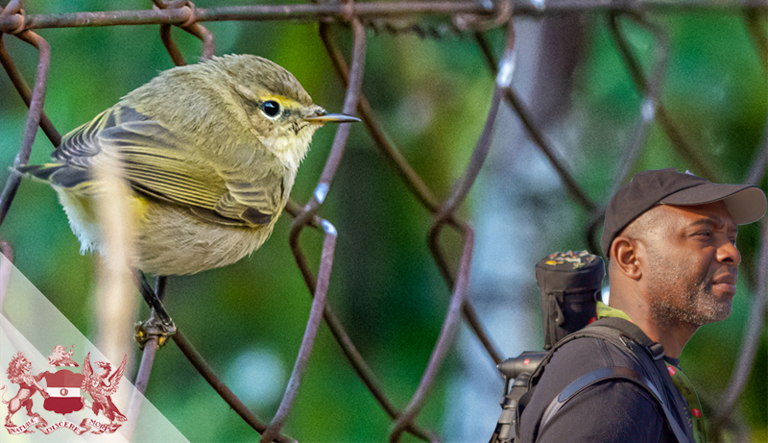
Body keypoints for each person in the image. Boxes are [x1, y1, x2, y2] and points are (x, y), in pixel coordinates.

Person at [518, 168, 767, 443]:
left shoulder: (641, 369)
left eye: (731, 238)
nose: (732, 252)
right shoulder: (615, 390)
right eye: (704, 234)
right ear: (630, 258)